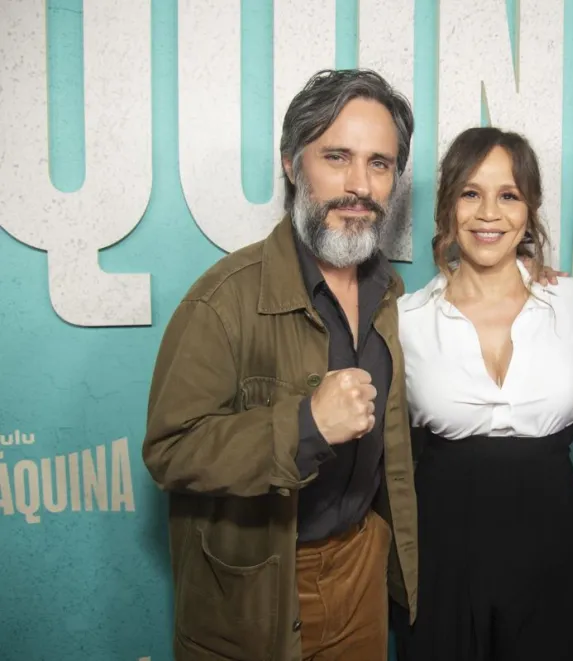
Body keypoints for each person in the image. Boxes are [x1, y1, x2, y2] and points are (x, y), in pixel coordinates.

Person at [142, 68, 419, 661]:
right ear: (293, 166)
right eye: (336, 157)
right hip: (262, 585)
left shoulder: (391, 295)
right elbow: (170, 450)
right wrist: (305, 425)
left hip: (360, 567)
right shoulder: (222, 300)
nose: (358, 184)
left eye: (380, 163)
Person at [389, 126, 573, 661]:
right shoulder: (405, 322)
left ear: (530, 209)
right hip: (439, 553)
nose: (489, 214)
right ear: (448, 205)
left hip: (550, 547)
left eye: (509, 195)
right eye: (471, 193)